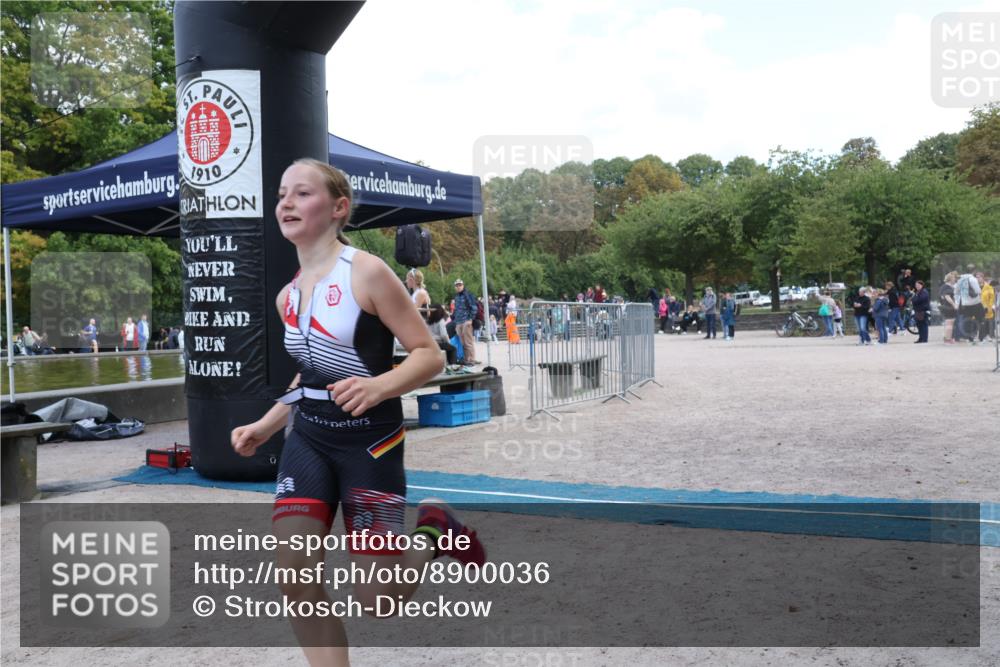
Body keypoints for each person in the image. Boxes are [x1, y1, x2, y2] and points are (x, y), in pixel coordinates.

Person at [230, 158, 484, 665]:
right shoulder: (287, 296)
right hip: (309, 442)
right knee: (294, 576)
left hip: (370, 443)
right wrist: (264, 425)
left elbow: (429, 354)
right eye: (282, 194)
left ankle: (435, 529)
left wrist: (378, 387)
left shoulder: (367, 271)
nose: (286, 203)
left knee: (378, 601)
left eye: (302, 194)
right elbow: (311, 376)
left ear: (338, 208)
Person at [452, 278, 478, 366]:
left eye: (460, 285)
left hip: (466, 321)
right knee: (462, 343)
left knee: (468, 342)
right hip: (458, 322)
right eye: (457, 285)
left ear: (463, 285)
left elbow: (474, 308)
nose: (458, 287)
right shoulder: (456, 297)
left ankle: (471, 360)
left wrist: (470, 319)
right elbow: (456, 310)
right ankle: (466, 360)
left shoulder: (467, 295)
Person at [954, 267, 982, 344]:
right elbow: (978, 290)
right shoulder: (973, 279)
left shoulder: (960, 279)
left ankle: (967, 336)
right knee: (979, 318)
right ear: (974, 271)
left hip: (964, 303)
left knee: (966, 320)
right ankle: (975, 334)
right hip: (974, 303)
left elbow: (956, 291)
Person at [939, 271, 958, 344]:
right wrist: (954, 305)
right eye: (954, 278)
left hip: (945, 306)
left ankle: (946, 338)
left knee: (948, 323)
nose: (955, 280)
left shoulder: (944, 286)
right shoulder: (947, 287)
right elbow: (947, 296)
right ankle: (948, 339)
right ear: (951, 279)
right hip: (948, 307)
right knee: (950, 323)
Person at [980, 275, 996, 342]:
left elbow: (992, 298)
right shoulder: (985, 288)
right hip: (985, 306)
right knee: (986, 322)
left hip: (988, 307)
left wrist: (992, 305)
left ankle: (990, 335)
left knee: (990, 322)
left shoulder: (989, 288)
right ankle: (987, 335)